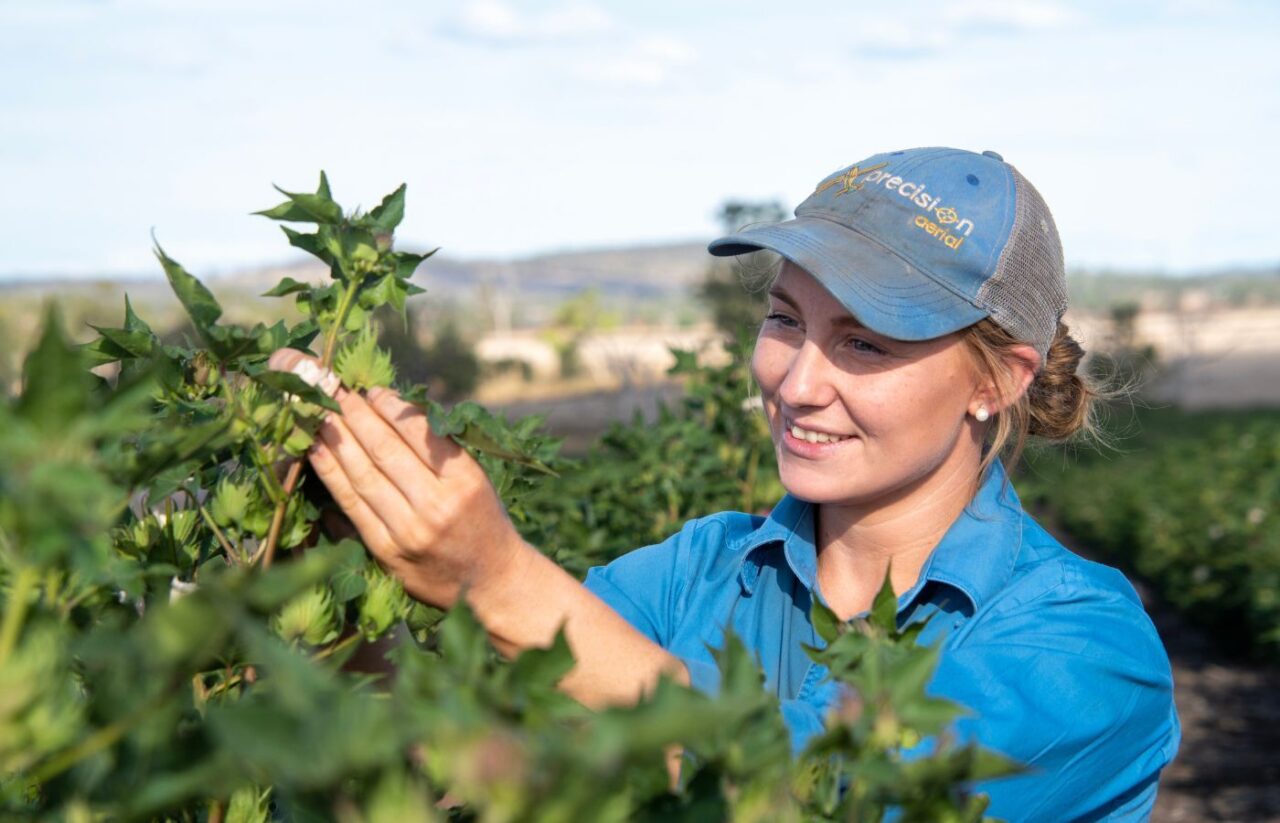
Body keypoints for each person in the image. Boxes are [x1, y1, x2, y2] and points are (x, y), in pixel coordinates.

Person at [268, 146, 1180, 820]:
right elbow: (474, 770)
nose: (796, 380)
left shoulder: (1086, 648)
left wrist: (500, 581)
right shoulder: (693, 575)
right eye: (786, 320)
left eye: (865, 340)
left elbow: (827, 794)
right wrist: (333, 566)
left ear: (999, 380)